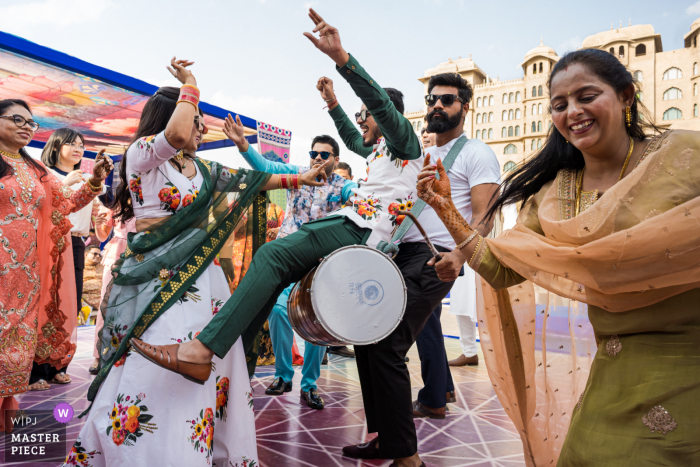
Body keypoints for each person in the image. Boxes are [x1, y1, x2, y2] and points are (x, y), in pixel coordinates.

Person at [416, 48, 700, 466]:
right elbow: (501, 269)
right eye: (560, 105)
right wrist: (445, 209)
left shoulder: (683, 154)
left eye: (587, 96)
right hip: (615, 364)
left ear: (625, 95)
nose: (574, 112)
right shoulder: (555, 195)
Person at [66, 58, 328, 467]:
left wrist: (301, 178)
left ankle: (201, 446)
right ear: (177, 116)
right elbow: (172, 134)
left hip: (202, 276)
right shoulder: (142, 154)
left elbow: (251, 181)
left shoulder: (199, 168)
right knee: (155, 348)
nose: (201, 129)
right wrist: (190, 85)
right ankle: (147, 447)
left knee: (207, 354)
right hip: (156, 270)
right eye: (197, 120)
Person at [314, 14, 499, 464]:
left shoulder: (476, 153)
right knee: (367, 337)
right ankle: (387, 437)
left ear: (465, 107)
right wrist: (336, 105)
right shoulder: (415, 150)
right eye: (431, 99)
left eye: (448, 100)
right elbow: (363, 147)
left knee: (389, 343)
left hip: (434, 259)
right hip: (396, 254)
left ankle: (406, 455)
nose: (437, 106)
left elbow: (486, 215)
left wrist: (459, 254)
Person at [223, 113, 356, 409]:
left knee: (316, 323)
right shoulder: (298, 175)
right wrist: (243, 144)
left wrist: (368, 195)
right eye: (314, 153)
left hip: (320, 265)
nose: (318, 158)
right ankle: (283, 375)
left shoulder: (341, 187)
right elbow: (266, 168)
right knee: (279, 313)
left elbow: (360, 198)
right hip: (287, 258)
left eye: (324, 154)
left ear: (336, 159)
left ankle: (309, 384)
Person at [0, 98, 111, 431]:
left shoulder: (36, 171)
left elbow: (65, 204)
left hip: (27, 269)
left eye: (30, 123)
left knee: (18, 331)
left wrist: (94, 182)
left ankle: (8, 403)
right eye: (16, 119)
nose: (24, 126)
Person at [27, 128, 107, 387]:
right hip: (46, 243)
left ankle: (58, 364)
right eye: (71, 143)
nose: (78, 148)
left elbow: (94, 213)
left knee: (69, 304)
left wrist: (101, 217)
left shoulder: (87, 179)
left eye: (81, 145)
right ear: (55, 146)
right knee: (44, 303)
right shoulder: (41, 172)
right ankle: (36, 370)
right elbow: (39, 204)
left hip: (74, 243)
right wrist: (67, 182)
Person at [88, 205, 137, 374]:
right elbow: (102, 236)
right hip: (116, 252)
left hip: (139, 252)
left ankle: (127, 353)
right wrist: (98, 225)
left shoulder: (148, 194)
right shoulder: (117, 203)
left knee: (133, 304)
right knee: (106, 304)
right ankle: (98, 355)